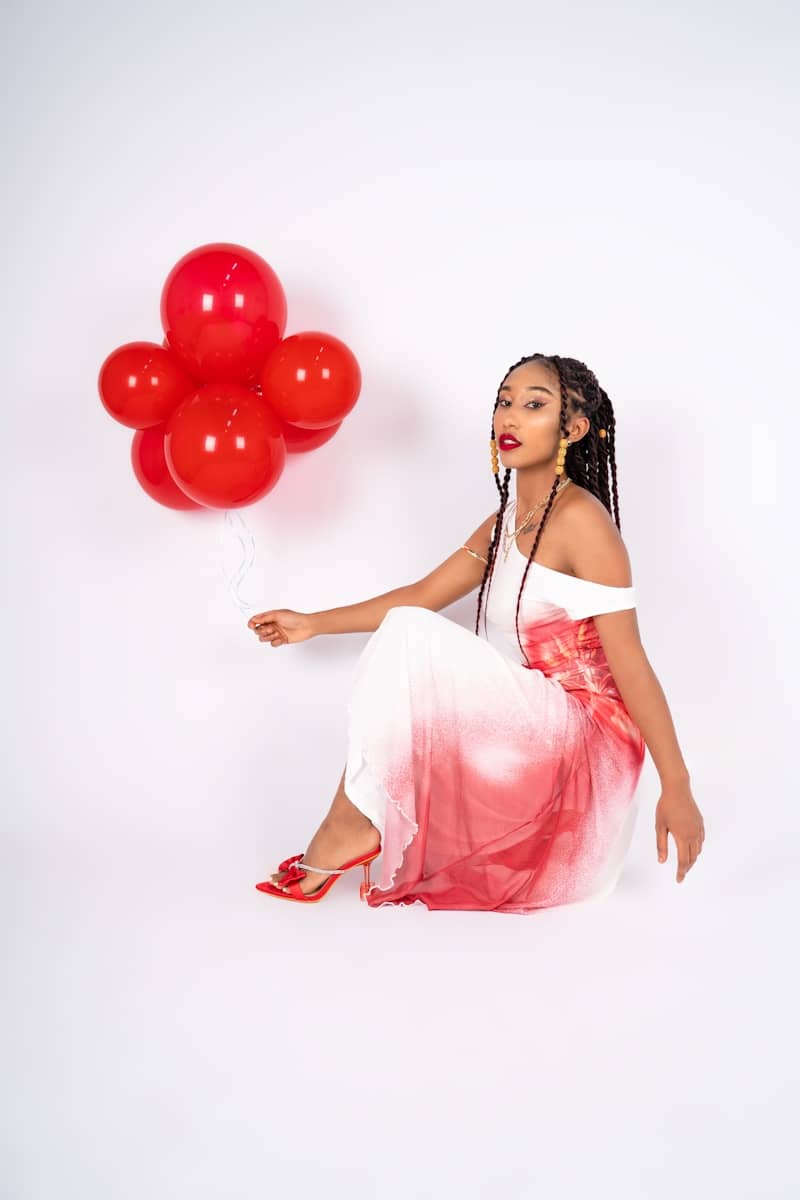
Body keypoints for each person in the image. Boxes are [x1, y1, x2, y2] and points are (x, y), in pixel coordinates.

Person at [247, 353, 705, 911]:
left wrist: (677, 786)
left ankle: (354, 825)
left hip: (585, 747)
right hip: (531, 725)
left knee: (411, 637)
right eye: (504, 402)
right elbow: (420, 596)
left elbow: (630, 663)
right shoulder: (506, 522)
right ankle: (357, 820)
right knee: (409, 630)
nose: (510, 417)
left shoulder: (583, 523)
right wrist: (314, 624)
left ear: (575, 429)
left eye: (534, 404)